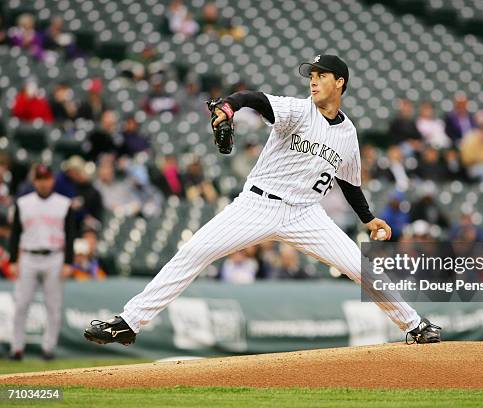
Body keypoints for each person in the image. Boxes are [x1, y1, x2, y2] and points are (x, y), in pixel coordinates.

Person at [84, 54, 441, 346]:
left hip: (305, 214)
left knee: (359, 266)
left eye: (321, 75)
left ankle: (414, 326)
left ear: (340, 82)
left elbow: (349, 182)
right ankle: (129, 323)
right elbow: (254, 98)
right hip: (257, 204)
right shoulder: (299, 111)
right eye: (311, 75)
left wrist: (367, 218)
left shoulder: (348, 134)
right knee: (194, 252)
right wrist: (227, 107)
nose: (313, 80)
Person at [8, 164, 76, 360]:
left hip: (54, 257)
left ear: (52, 180)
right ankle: (17, 348)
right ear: (35, 181)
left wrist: (68, 262)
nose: (44, 182)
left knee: (53, 306)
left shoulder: (63, 203)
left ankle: (48, 348)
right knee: (21, 304)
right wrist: (14, 259)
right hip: (28, 256)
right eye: (40, 179)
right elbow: (15, 234)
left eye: (46, 178)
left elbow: (70, 234)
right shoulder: (23, 203)